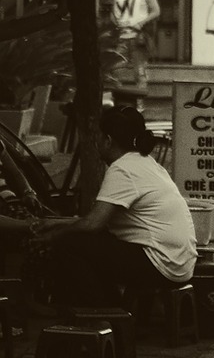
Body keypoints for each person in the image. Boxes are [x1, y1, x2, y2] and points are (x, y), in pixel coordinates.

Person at [33, 106, 195, 314]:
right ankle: (112, 307)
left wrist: (55, 234)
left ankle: (102, 312)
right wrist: (55, 222)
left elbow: (92, 224)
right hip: (179, 263)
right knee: (88, 241)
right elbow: (97, 219)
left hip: (161, 263)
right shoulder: (146, 163)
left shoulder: (123, 169)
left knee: (68, 244)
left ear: (108, 140)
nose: (97, 142)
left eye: (99, 137)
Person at [111, 0, 161, 88]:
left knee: (139, 72)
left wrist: (141, 23)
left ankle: (140, 98)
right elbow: (113, 12)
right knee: (114, 69)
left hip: (138, 37)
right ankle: (119, 96)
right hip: (121, 37)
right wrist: (115, 24)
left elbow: (156, 11)